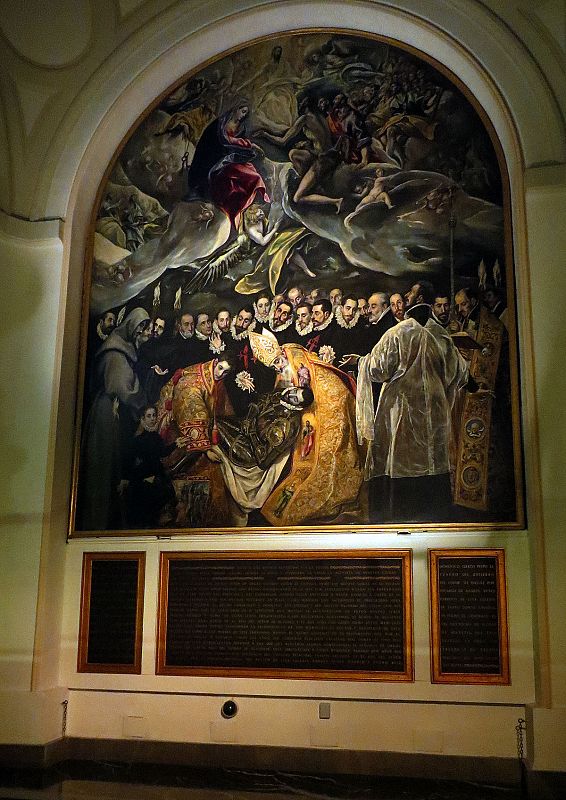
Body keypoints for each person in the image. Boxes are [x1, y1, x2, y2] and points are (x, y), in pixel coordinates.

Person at [354, 302, 469, 522]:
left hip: (402, 407)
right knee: (431, 460)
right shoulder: (442, 335)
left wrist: (361, 361)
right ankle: (432, 513)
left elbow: (378, 369)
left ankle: (399, 514)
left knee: (400, 458)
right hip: (435, 408)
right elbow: (459, 372)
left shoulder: (397, 333)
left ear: (408, 313)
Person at [248, 331, 366, 527]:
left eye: (277, 361)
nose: (278, 367)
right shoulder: (286, 364)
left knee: (333, 448)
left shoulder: (296, 360)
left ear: (281, 353)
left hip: (331, 402)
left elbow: (305, 390)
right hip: (316, 406)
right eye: (273, 366)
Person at [77, 307, 151, 530]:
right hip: (107, 415)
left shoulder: (123, 347)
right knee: (104, 467)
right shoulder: (116, 352)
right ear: (130, 325)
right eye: (140, 327)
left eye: (144, 328)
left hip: (112, 411)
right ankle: (98, 521)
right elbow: (123, 389)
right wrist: (143, 395)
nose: (142, 332)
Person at [186, 103, 269, 227]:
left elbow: (232, 142)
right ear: (236, 108)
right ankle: (235, 209)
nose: (243, 115)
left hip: (228, 159)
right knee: (251, 176)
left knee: (251, 173)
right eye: (243, 111)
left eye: (246, 113)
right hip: (218, 160)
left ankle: (241, 207)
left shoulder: (239, 126)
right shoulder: (221, 123)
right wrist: (248, 144)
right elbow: (225, 140)